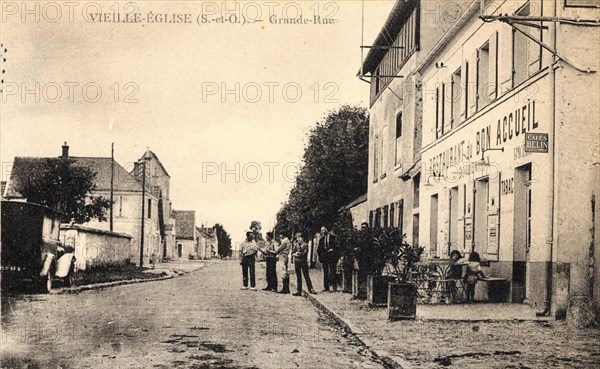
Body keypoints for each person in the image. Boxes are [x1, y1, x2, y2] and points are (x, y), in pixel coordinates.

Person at [317, 226, 339, 292]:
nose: (322, 231)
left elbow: (337, 248)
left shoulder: (333, 238)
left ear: (327, 230)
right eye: (321, 230)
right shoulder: (321, 240)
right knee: (325, 272)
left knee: (332, 272)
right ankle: (326, 287)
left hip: (332, 258)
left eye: (323, 230)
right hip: (325, 258)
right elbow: (319, 250)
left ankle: (334, 286)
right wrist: (321, 257)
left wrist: (333, 250)